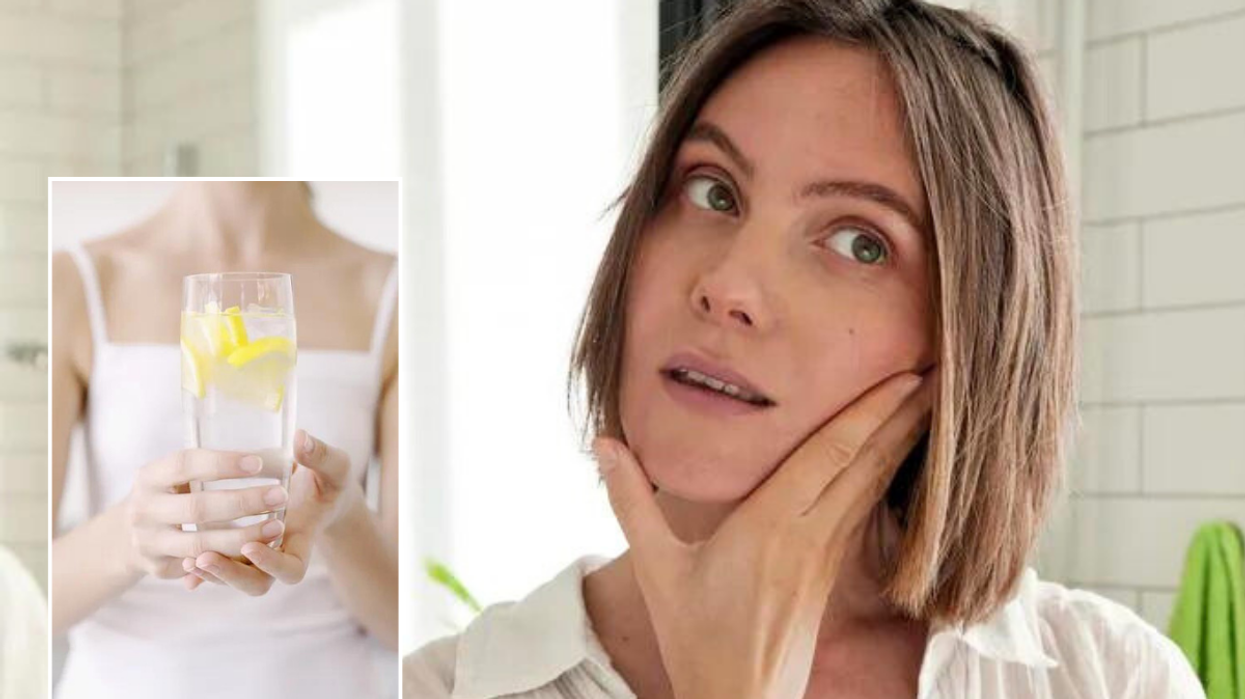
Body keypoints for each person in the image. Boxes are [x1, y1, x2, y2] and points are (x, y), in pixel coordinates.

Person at [404, 1, 1205, 697]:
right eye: (712, 190)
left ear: (968, 334)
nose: (728, 286)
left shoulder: (1108, 677)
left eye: (858, 242)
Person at [51, 181, 399, 699]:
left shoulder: (389, 288)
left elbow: (401, 618)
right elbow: (24, 600)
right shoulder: (78, 281)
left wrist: (344, 513)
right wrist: (129, 539)